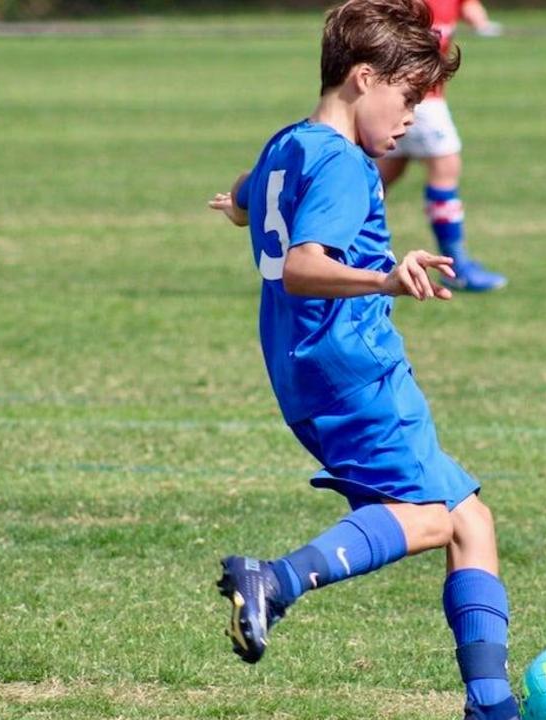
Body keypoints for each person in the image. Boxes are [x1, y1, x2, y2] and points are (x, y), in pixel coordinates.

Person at [207, 1, 520, 718]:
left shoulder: (289, 142)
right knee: (429, 518)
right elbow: (303, 266)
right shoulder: (347, 167)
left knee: (471, 519)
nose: (412, 116)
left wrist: (236, 207)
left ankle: (490, 703)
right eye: (407, 96)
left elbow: (256, 199)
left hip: (303, 366)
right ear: (361, 78)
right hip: (354, 366)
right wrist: (382, 276)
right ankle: (277, 581)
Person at [374, 0, 508, 292]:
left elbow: (472, 10)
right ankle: (456, 266)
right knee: (445, 168)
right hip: (420, 100)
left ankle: (329, 243)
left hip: (405, 97)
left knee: (379, 177)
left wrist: (483, 24)